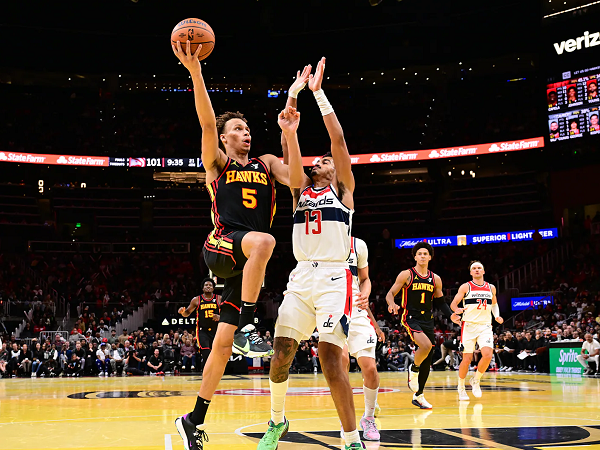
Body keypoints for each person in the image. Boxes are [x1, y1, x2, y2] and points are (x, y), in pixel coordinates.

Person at [172, 39, 305, 450]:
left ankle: (192, 419)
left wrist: (291, 133)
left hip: (246, 260)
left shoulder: (266, 163)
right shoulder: (217, 164)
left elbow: (298, 181)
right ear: (225, 140)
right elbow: (207, 123)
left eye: (247, 129)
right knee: (265, 239)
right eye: (237, 130)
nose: (244, 134)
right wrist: (196, 73)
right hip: (221, 244)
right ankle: (249, 321)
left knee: (222, 345)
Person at [257, 58, 365, 450]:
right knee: (281, 350)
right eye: (315, 160)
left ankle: (351, 438)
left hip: (337, 279)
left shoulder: (345, 190)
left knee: (331, 359)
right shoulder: (300, 189)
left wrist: (317, 93)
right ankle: (276, 421)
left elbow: (338, 141)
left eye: (324, 161)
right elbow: (291, 147)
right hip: (302, 277)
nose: (319, 161)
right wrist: (291, 100)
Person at [386, 242, 458, 409]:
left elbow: (440, 302)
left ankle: (419, 395)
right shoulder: (407, 275)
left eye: (426, 253)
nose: (423, 256)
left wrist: (451, 315)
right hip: (411, 317)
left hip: (428, 319)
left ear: (430, 257)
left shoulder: (436, 278)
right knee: (425, 346)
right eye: (420, 253)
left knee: (429, 354)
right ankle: (413, 367)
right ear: (415, 257)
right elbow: (390, 293)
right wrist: (392, 303)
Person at [339, 237, 385, 441]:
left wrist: (375, 324)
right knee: (341, 364)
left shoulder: (357, 245)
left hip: (357, 313)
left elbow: (364, 282)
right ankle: (346, 418)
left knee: (370, 368)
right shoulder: (320, 240)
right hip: (330, 309)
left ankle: (368, 418)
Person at [450, 261, 503, 401]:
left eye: (479, 268)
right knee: (466, 359)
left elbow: (494, 304)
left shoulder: (491, 288)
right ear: (471, 272)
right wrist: (456, 310)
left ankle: (476, 380)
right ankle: (461, 386)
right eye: (474, 268)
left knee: (487, 355)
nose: (477, 270)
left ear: (484, 271)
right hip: (468, 326)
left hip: (485, 325)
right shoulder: (466, 286)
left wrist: (497, 315)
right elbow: (453, 303)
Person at [178, 278, 220, 372]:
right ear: (202, 288)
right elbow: (187, 313)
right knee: (206, 352)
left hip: (216, 329)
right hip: (202, 330)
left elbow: (227, 314)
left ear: (213, 288)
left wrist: (219, 317)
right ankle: (207, 371)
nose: (208, 286)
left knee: (216, 352)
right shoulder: (196, 300)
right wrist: (182, 312)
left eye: (210, 285)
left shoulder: (219, 298)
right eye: (206, 285)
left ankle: (216, 371)